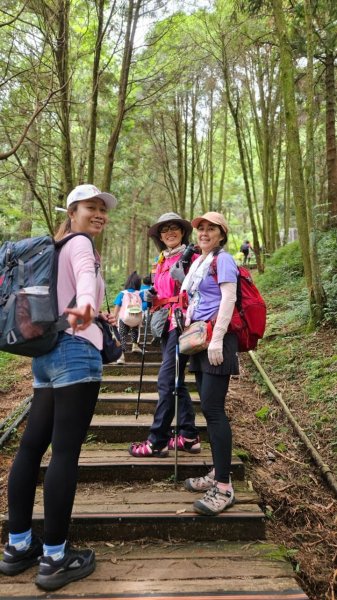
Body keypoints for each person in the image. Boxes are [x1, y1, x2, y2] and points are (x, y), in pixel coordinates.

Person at [0, 184, 117, 590]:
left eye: (103, 209)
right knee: (65, 452)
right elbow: (86, 278)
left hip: (46, 355)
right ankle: (54, 558)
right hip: (74, 350)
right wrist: (87, 306)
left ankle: (17, 547)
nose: (99, 214)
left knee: (32, 446)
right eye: (91, 207)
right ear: (72, 210)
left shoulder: (54, 247)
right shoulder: (80, 244)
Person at [129, 212, 200, 457]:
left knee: (166, 381)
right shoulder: (161, 260)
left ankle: (157, 440)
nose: (169, 232)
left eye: (174, 228)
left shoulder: (191, 257)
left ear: (182, 232)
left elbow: (200, 290)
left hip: (182, 324)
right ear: (160, 236)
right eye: (164, 229)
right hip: (164, 324)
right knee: (176, 382)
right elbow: (161, 293)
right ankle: (189, 436)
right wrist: (151, 296)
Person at [182, 211, 239, 516]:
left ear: (221, 234)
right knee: (207, 406)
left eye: (210, 228)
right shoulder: (198, 263)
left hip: (217, 339)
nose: (203, 232)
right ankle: (217, 474)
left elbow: (228, 299)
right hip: (199, 340)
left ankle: (226, 488)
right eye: (200, 228)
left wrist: (217, 339)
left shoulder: (224, 260)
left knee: (215, 410)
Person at [113, 271, 143, 364]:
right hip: (136, 318)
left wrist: (114, 317)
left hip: (124, 318)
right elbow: (145, 305)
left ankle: (121, 356)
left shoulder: (122, 293)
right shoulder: (140, 293)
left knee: (122, 335)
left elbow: (117, 306)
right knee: (135, 329)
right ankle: (135, 345)